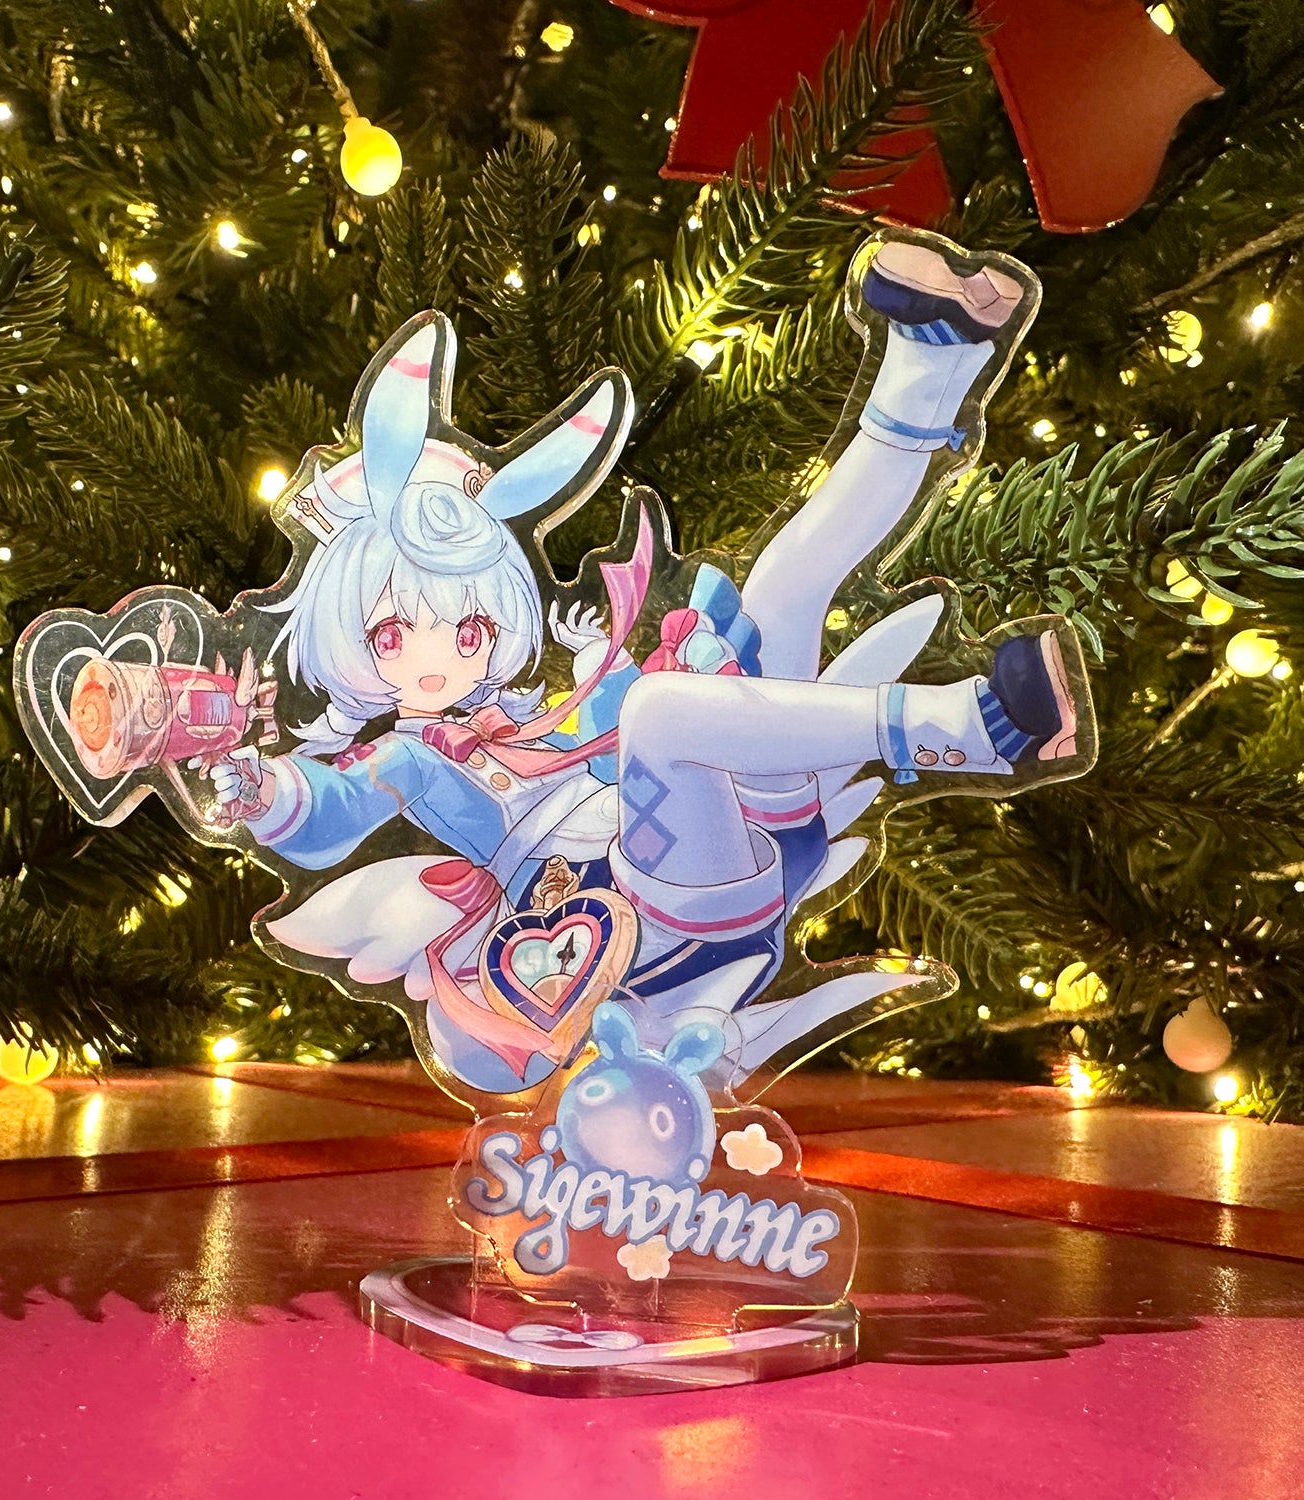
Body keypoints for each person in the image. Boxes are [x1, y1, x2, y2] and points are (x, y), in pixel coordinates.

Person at [210, 237, 1082, 1096]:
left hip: (741, 823)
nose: (439, 656)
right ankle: (973, 731)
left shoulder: (537, 720)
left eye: (470, 627)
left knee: (783, 584)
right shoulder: (437, 780)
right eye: (392, 638)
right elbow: (342, 803)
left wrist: (637, 664)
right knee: (660, 718)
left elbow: (619, 732)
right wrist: (264, 792)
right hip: (679, 924)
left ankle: (931, 357)